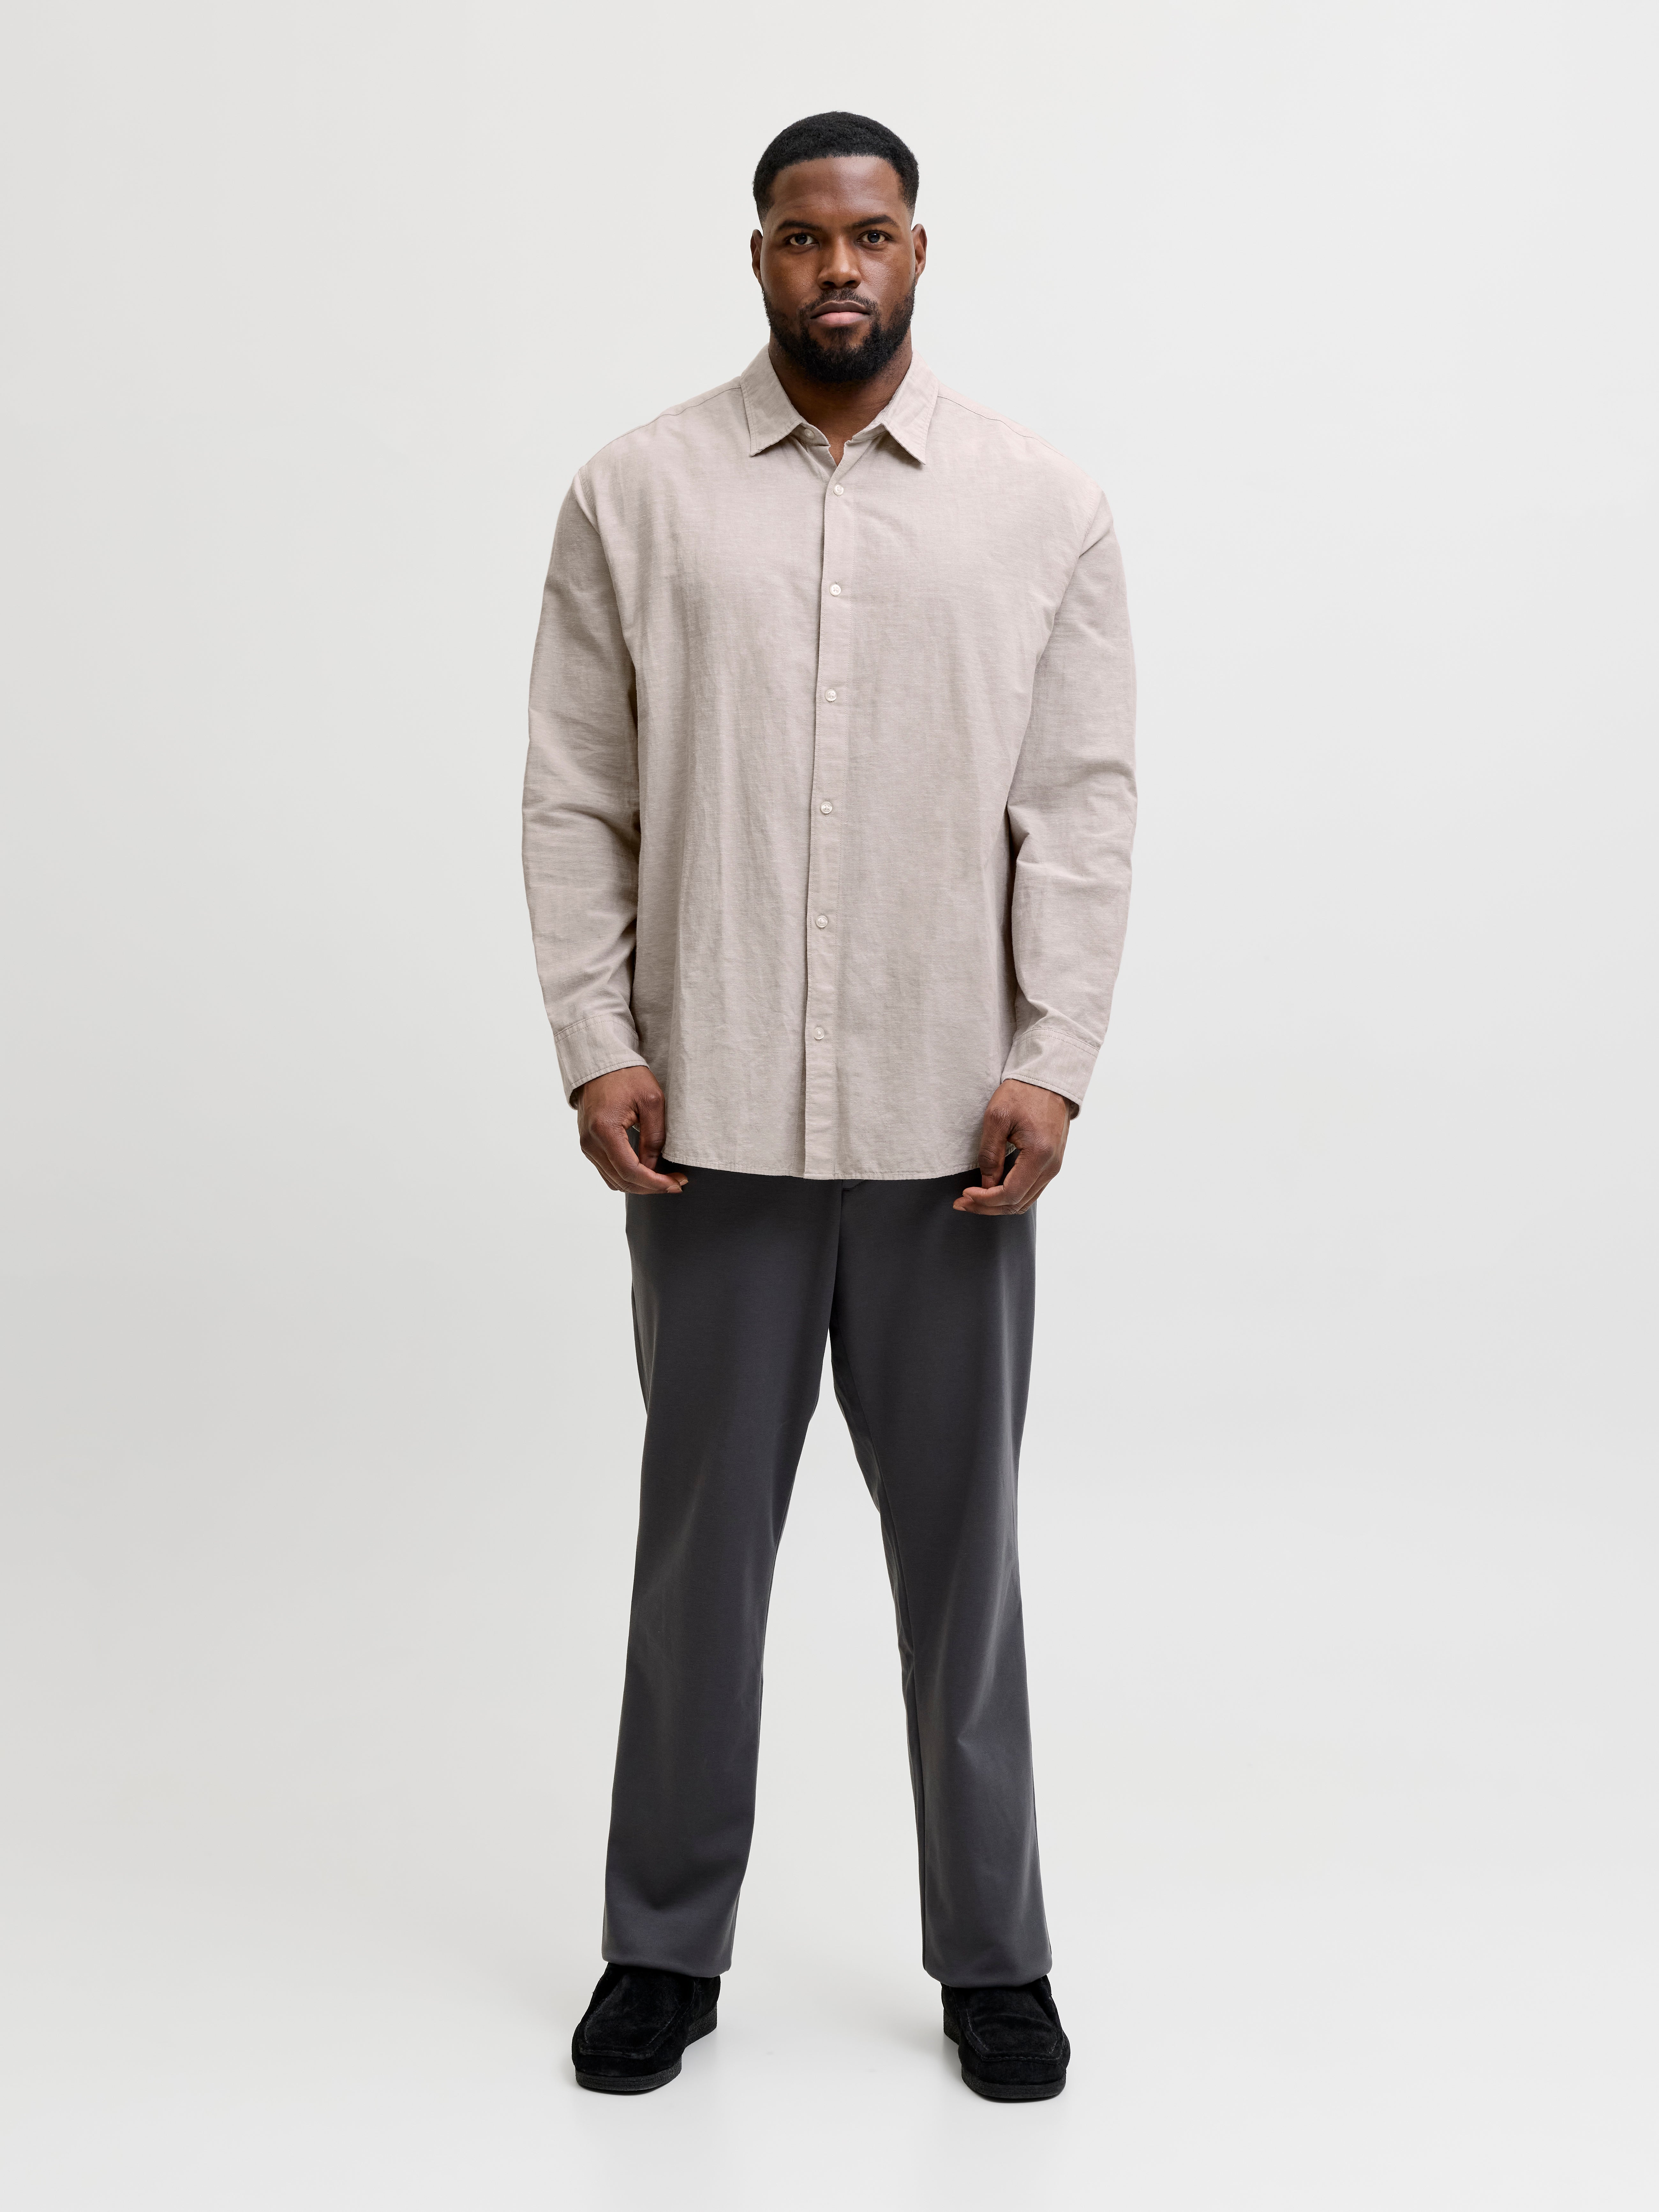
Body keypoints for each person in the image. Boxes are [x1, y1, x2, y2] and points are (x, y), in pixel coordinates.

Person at [523, 110, 1136, 2102]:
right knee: (698, 1559)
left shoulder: (1042, 505)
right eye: (804, 238)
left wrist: (1051, 1055)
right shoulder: (638, 493)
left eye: (869, 235)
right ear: (761, 257)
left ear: (919, 252)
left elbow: (1081, 806)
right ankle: (660, 1947)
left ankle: (996, 1960)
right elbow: (577, 792)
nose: (839, 268)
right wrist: (597, 1033)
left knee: (966, 1570)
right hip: (705, 1129)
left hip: (953, 1135)